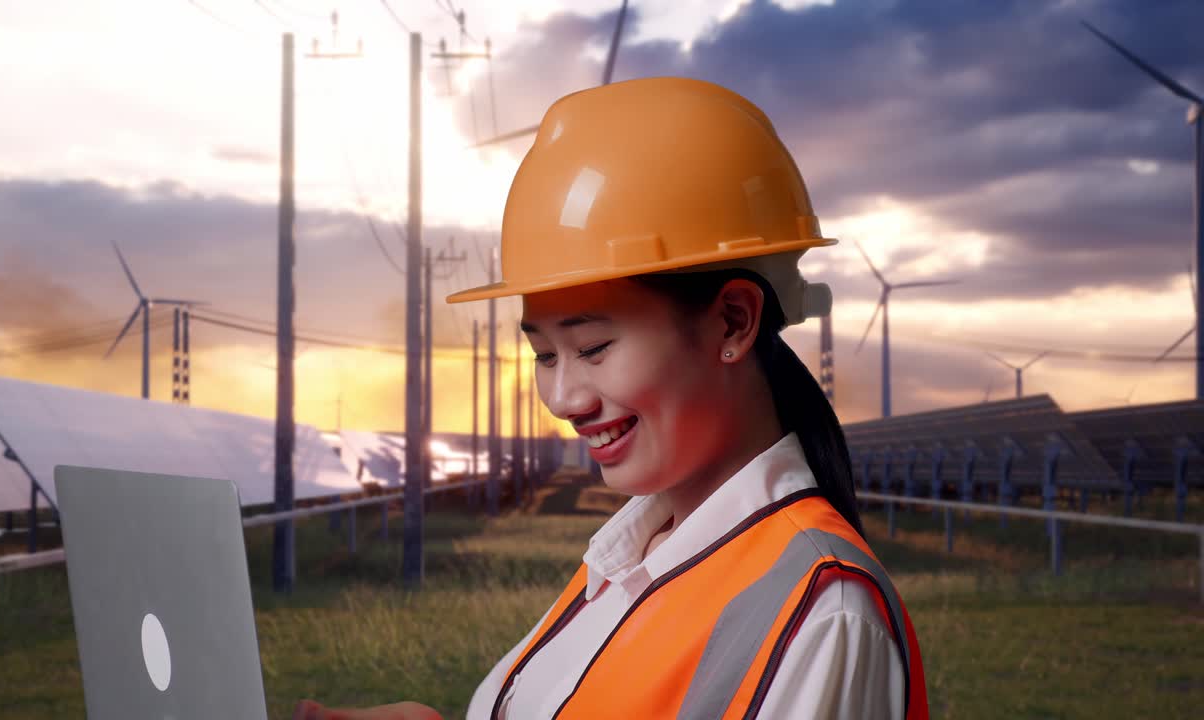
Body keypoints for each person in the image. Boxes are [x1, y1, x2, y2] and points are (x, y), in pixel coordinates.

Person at [295, 76, 928, 720]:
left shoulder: (824, 614)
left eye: (593, 347)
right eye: (545, 355)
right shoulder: (629, 558)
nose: (562, 399)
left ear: (733, 322)